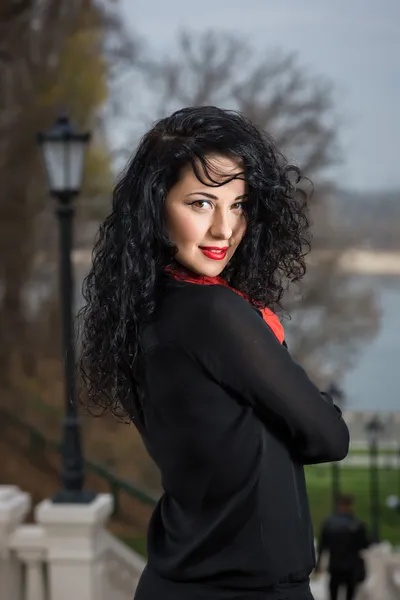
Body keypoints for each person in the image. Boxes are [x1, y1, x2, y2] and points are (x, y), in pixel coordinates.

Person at [79, 106, 350, 600]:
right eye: (201, 203)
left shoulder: (144, 309)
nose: (225, 229)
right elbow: (329, 437)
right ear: (157, 207)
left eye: (239, 204)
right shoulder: (212, 312)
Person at [315, 494, 370, 600]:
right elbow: (364, 545)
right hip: (352, 566)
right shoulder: (356, 524)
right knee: (350, 594)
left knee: (333, 594)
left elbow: (322, 546)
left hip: (335, 565)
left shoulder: (329, 523)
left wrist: (319, 565)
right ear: (350, 506)